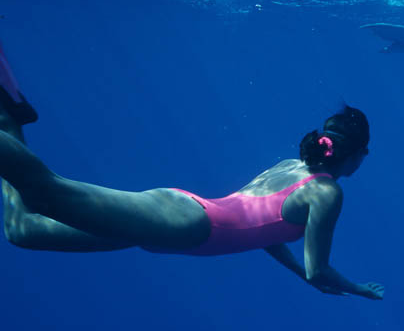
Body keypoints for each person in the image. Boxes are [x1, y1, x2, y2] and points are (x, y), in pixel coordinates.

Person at [0, 41, 383, 300]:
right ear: (359, 154)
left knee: (24, 230)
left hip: (173, 224)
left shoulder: (291, 166)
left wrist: (300, 272)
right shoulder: (327, 194)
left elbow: (265, 232)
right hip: (180, 223)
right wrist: (358, 288)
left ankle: (8, 105)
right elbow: (320, 272)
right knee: (43, 191)